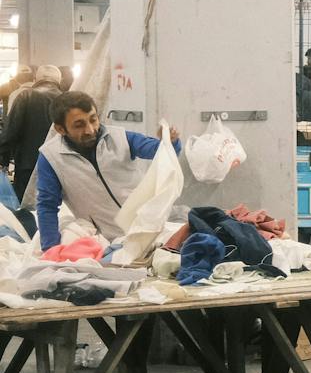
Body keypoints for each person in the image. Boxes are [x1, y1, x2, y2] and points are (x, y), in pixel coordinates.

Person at [33, 92, 179, 249]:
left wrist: (169, 142)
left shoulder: (120, 138)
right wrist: (51, 249)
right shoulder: (52, 157)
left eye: (93, 119)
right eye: (79, 125)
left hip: (147, 229)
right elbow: (47, 205)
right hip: (106, 240)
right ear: (60, 129)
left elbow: (159, 151)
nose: (90, 129)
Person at [1, 66, 63, 202]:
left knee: (26, 211)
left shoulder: (25, 96)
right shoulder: (67, 100)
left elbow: (10, 132)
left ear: (36, 79)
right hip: (60, 167)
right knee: (55, 208)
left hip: (27, 166)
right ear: (59, 80)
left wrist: (3, 160)